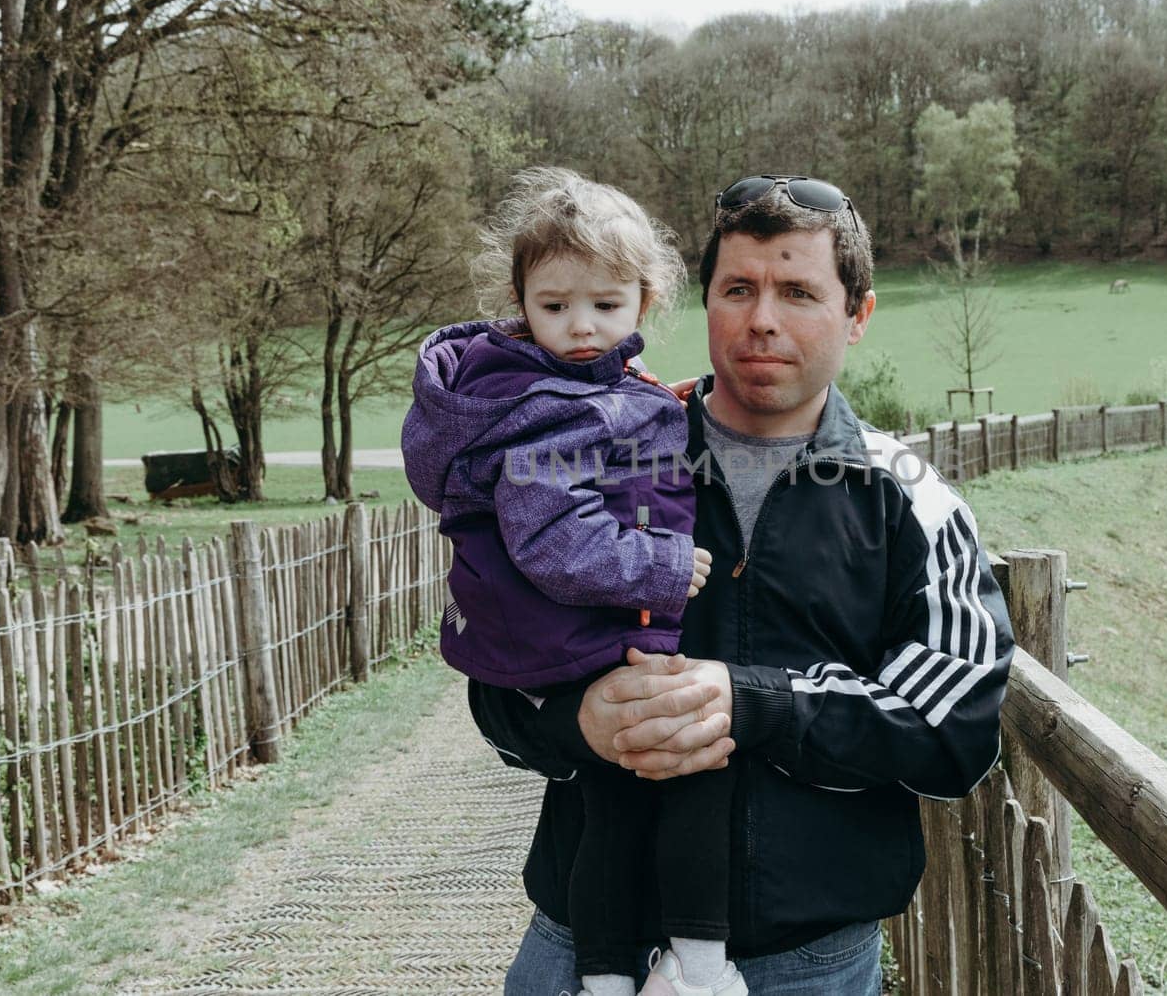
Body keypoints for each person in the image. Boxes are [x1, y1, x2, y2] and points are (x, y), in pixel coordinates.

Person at [470, 173, 1017, 995]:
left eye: (799, 290)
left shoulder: (911, 499)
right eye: (739, 288)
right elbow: (492, 673)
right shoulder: (582, 456)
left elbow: (954, 730)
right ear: (702, 302)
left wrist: (759, 703)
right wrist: (578, 721)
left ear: (857, 315)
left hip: (807, 964)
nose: (763, 318)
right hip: (581, 954)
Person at [402, 166, 746, 996]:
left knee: (612, 807)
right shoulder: (551, 403)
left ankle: (603, 979)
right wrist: (662, 566)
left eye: (603, 304)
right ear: (519, 299)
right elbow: (550, 532)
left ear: (646, 298)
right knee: (696, 773)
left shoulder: (574, 385)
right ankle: (697, 967)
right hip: (594, 632)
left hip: (579, 634)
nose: (580, 327)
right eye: (553, 307)